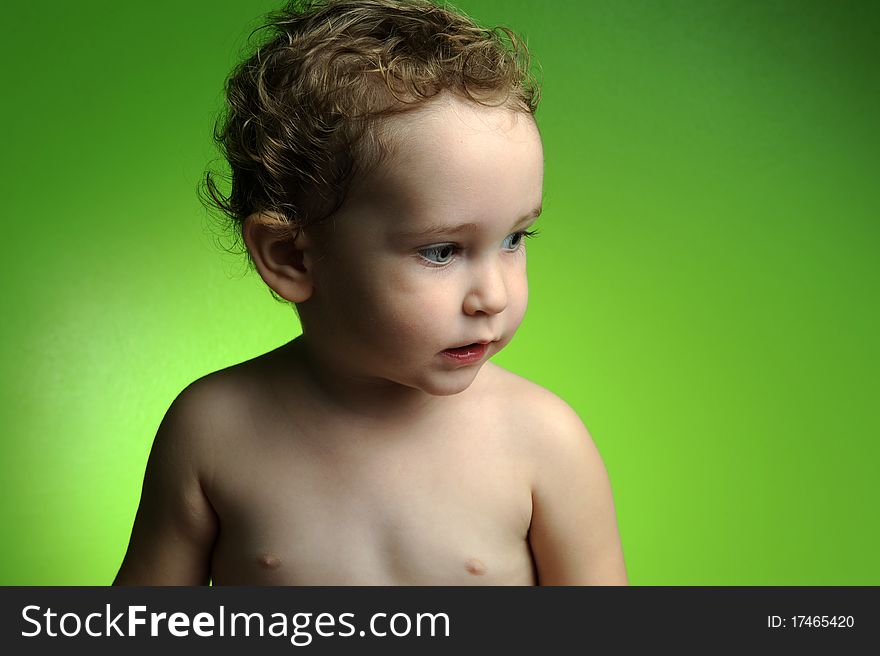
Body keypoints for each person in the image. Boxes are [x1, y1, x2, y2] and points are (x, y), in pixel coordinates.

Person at [114, 0, 627, 586]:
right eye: (442, 251)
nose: (493, 295)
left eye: (514, 238)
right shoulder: (215, 432)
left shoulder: (542, 442)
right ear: (291, 257)